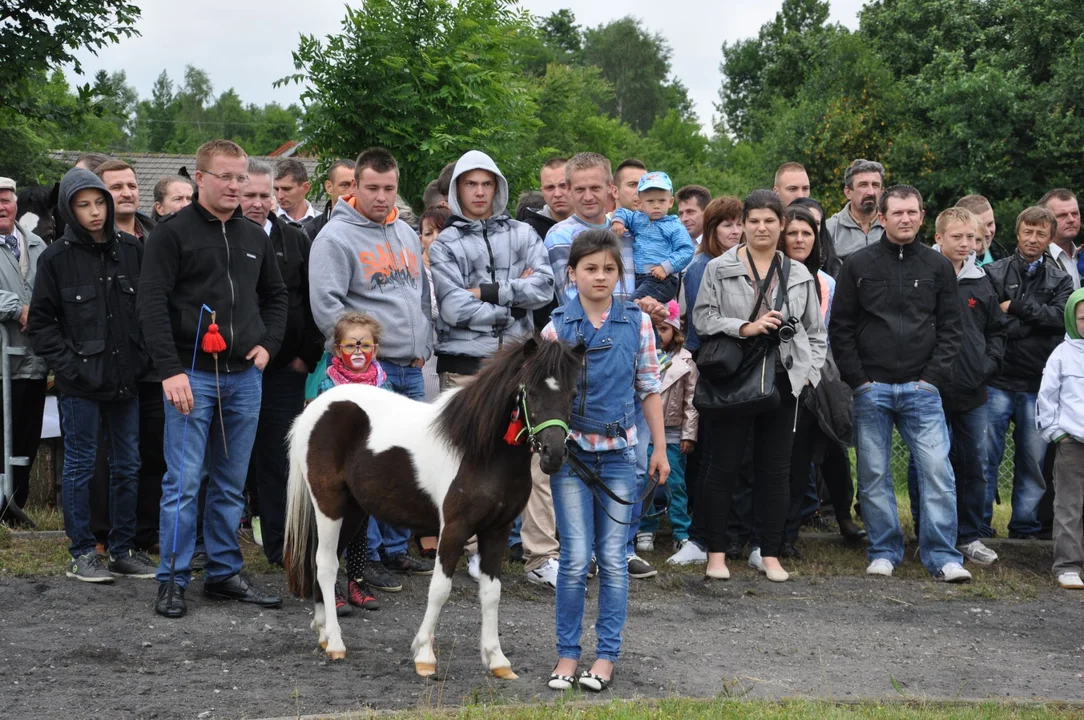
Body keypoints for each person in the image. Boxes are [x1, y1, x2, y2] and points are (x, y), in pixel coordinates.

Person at [140, 139, 289, 618]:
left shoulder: (255, 237)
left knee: (229, 483)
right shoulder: (171, 235)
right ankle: (173, 580)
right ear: (200, 178)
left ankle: (224, 573)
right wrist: (169, 370)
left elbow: (277, 297)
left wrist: (268, 344)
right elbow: (151, 306)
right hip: (190, 377)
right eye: (224, 176)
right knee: (183, 483)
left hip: (244, 378)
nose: (234, 185)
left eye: (240, 176)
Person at [542, 229, 668, 693]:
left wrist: (658, 448)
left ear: (620, 274)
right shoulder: (555, 329)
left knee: (613, 560)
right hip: (573, 459)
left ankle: (607, 655)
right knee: (575, 560)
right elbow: (543, 397)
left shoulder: (637, 323)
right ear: (571, 273)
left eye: (609, 269)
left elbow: (649, 387)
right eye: (590, 268)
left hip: (619, 457)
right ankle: (567, 653)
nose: (600, 276)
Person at [429, 149, 558, 587]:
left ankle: (541, 555)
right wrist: (509, 305)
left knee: (533, 459)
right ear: (457, 189)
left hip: (518, 363)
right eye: (470, 184)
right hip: (468, 362)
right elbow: (450, 306)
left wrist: (485, 291)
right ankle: (468, 549)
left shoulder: (523, 232)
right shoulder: (445, 242)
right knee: (470, 459)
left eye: (487, 183)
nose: (479, 192)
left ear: (497, 187)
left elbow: (543, 288)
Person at [307, 147, 434, 590]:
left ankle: (397, 550)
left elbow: (420, 292)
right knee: (371, 466)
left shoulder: (403, 231)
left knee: (410, 462)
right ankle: (370, 557)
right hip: (366, 374)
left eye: (390, 188)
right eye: (372, 188)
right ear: (354, 186)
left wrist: (426, 341)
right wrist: (359, 359)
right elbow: (326, 308)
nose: (381, 197)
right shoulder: (334, 238)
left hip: (411, 367)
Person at [830, 185, 969, 581]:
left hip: (922, 390)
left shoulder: (938, 267)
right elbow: (841, 328)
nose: (905, 219)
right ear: (882, 218)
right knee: (873, 477)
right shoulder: (858, 265)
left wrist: (931, 380)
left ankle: (943, 556)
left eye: (912, 212)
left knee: (938, 475)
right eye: (897, 213)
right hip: (872, 388)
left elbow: (951, 330)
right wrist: (859, 380)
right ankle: (885, 551)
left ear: (922, 217)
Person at [693, 190, 827, 583]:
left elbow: (817, 334)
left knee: (776, 470)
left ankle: (770, 552)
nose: (761, 227)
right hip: (734, 378)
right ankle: (716, 554)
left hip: (784, 381)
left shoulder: (800, 273)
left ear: (781, 224)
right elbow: (702, 319)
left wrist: (807, 376)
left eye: (770, 221)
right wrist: (744, 327)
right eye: (753, 221)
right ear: (744, 224)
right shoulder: (718, 268)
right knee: (723, 466)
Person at [545, 153, 668, 580]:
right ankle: (584, 551)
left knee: (633, 461)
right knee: (578, 461)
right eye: (577, 188)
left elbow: (647, 276)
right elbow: (568, 298)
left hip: (632, 339)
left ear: (611, 188)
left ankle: (621, 545)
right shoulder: (560, 236)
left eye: (596, 187)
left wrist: (647, 304)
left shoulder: (629, 227)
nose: (587, 195)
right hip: (583, 349)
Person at [28, 168, 154, 581]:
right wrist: (69, 369)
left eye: (99, 202)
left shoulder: (134, 251)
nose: (95, 212)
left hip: (126, 379)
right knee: (81, 466)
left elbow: (150, 312)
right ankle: (82, 551)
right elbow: (43, 325)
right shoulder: (55, 259)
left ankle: (122, 548)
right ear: (69, 209)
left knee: (128, 464)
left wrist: (142, 361)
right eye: (84, 205)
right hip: (79, 384)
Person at [905, 208, 1006, 566]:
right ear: (938, 238)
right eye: (957, 237)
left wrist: (986, 367)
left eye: (972, 238)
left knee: (974, 464)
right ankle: (927, 533)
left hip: (973, 392)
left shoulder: (982, 282)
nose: (965, 244)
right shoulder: (922, 275)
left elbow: (996, 332)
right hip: (929, 390)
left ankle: (969, 536)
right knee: (927, 465)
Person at [240, 160, 324, 566]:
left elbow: (310, 301)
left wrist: (303, 357)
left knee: (280, 459)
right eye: (249, 195)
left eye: (263, 195)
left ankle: (280, 544)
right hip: (233, 367)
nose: (257, 203)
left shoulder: (295, 239)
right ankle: (218, 543)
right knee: (232, 460)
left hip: (284, 370)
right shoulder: (224, 238)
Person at [982, 206, 1073, 539]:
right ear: (1017, 232)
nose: (1033, 239)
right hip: (996, 380)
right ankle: (979, 525)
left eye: (1040, 234)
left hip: (1036, 382)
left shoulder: (1061, 278)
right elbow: (992, 321)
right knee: (985, 459)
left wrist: (1018, 308)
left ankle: (1024, 527)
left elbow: (1058, 321)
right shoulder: (993, 273)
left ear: (1049, 238)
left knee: (1032, 464)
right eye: (1027, 232)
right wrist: (1032, 322)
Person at [778, 205, 864, 554]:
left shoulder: (826, 282)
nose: (800, 239)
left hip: (820, 379)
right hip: (782, 377)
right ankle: (786, 532)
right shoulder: (774, 274)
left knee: (831, 450)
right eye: (793, 233)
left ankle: (843, 515)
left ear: (817, 239)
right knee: (792, 457)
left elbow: (828, 332)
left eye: (807, 233)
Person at [316, 311, 391, 611]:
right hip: (334, 467)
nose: (358, 352)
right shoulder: (328, 383)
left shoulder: (382, 383)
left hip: (366, 467)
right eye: (350, 346)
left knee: (360, 522)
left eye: (365, 346)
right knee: (332, 526)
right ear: (338, 349)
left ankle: (357, 580)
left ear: (375, 348)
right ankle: (327, 583)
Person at [0, 178, 48, 521]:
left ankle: (17, 504)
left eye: (6, 200)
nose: (2, 206)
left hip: (35, 360)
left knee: (27, 437)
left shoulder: (37, 244)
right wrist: (18, 308)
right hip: (0, 362)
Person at [634, 300, 698, 558]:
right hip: (644, 431)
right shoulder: (640, 357)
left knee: (675, 484)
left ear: (675, 331)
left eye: (664, 329)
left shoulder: (686, 362)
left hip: (672, 433)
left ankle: (681, 532)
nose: (659, 334)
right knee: (647, 483)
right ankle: (646, 528)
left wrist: (688, 434)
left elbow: (691, 402)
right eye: (654, 329)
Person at [1036, 288, 1084, 589]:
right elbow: (1046, 399)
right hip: (1072, 444)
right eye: (1082, 318)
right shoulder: (1062, 355)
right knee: (1069, 506)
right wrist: (1058, 435)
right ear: (1071, 318)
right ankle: (1067, 565)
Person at [609, 172, 695, 302]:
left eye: (661, 201)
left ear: (670, 202)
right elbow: (623, 212)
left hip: (662, 279)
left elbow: (686, 250)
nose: (656, 206)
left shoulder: (674, 226)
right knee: (645, 311)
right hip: (641, 278)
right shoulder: (638, 219)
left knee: (633, 303)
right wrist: (618, 221)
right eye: (650, 201)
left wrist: (665, 267)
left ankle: (621, 318)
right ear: (640, 203)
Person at [682, 196, 743, 354]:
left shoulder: (744, 261)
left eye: (739, 224)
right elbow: (697, 322)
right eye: (728, 225)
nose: (736, 231)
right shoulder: (700, 266)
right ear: (712, 229)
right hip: (710, 356)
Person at [825, 159, 885, 260]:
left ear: (882, 191)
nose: (871, 192)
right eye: (863, 185)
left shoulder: (892, 226)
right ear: (848, 192)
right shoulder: (829, 230)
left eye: (875, 185)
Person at [96, 160, 156, 241]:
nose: (127, 194)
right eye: (117, 187)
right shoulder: (92, 240)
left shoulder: (160, 235)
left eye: (132, 186)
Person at [302, 159, 356, 240]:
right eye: (345, 185)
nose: (352, 192)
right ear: (329, 187)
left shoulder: (374, 226)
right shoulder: (311, 231)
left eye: (356, 186)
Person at [522, 157, 572, 243]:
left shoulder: (595, 223)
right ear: (542, 192)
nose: (557, 194)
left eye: (563, 186)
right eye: (550, 187)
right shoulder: (527, 232)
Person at [1039, 189, 1081, 290]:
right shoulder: (1036, 262)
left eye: (1075, 213)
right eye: (1062, 215)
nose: (1071, 219)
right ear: (1044, 221)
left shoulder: (1081, 255)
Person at [956, 194, 1003, 266]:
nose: (988, 233)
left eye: (990, 224)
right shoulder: (946, 264)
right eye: (980, 227)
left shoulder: (1001, 254)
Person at [274, 159, 318, 224]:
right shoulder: (266, 223)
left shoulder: (325, 223)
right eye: (276, 189)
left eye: (286, 189)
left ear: (306, 187)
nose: (280, 196)